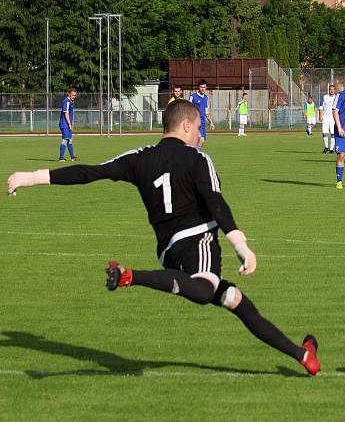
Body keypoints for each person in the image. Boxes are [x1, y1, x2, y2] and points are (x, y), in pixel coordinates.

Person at [6, 99, 320, 375]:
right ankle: (130, 275)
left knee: (234, 300)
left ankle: (304, 354)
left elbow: (90, 172)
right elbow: (216, 202)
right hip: (199, 241)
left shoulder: (139, 157)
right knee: (203, 289)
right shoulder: (199, 160)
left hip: (169, 253)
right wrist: (241, 245)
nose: (201, 135)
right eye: (199, 127)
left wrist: (31, 177)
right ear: (185, 125)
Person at [188, 79, 215, 150]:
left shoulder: (205, 98)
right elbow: (188, 109)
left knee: (201, 142)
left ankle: (193, 153)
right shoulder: (193, 97)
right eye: (201, 87)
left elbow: (206, 112)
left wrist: (211, 122)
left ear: (206, 87)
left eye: (204, 87)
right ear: (198, 87)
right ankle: (196, 156)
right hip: (195, 122)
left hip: (202, 123)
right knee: (201, 140)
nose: (203, 89)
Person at [58, 88, 79, 162]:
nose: (74, 96)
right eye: (73, 95)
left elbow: (70, 114)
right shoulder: (66, 101)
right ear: (69, 94)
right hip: (65, 124)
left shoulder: (71, 101)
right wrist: (69, 124)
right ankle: (61, 158)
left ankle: (72, 157)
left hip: (67, 124)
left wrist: (71, 123)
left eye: (75, 95)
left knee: (69, 140)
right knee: (65, 139)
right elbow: (66, 113)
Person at [319, 84, 337, 153]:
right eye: (330, 89)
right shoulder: (325, 97)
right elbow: (321, 107)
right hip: (325, 118)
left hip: (333, 119)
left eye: (333, 89)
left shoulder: (337, 98)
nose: (331, 91)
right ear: (329, 90)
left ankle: (332, 149)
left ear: (335, 90)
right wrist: (320, 116)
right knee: (324, 133)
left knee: (333, 133)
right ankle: (326, 147)